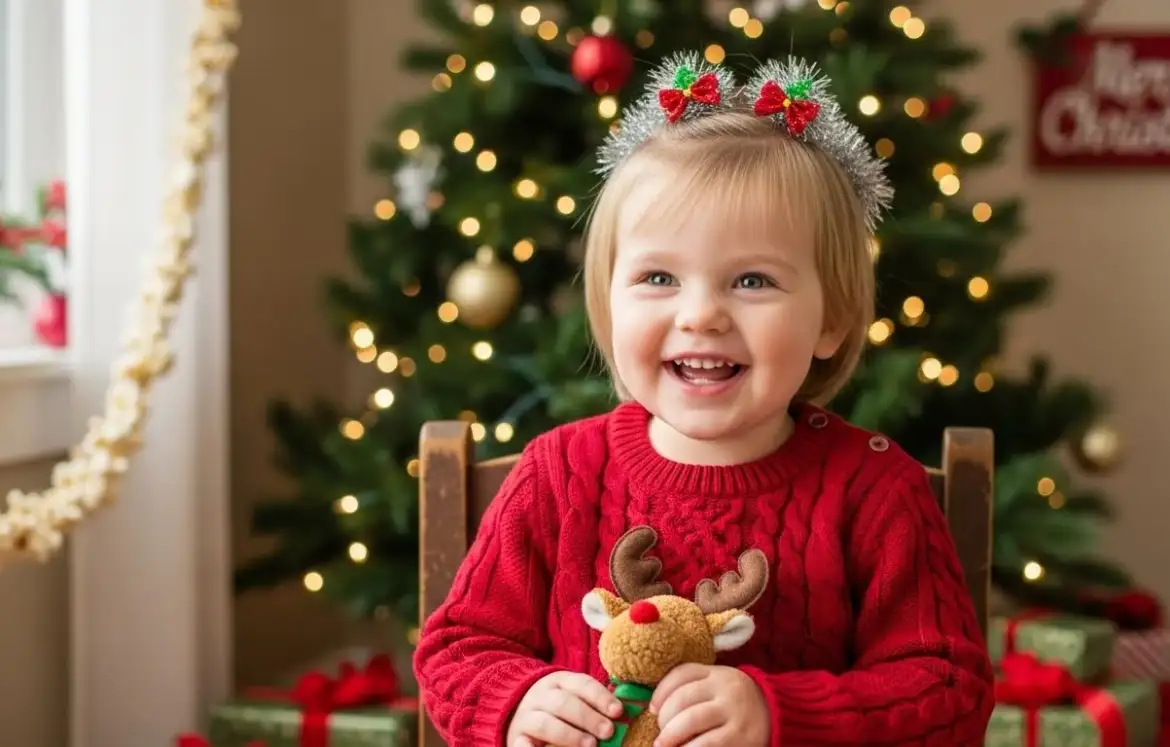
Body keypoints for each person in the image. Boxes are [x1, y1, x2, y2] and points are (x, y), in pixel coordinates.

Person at [413, 51, 994, 747]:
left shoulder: (875, 489)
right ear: (607, 309)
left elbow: (950, 691)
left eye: (751, 281)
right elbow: (454, 649)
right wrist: (518, 700)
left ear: (832, 318)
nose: (701, 315)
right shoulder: (558, 472)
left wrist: (782, 713)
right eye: (658, 277)